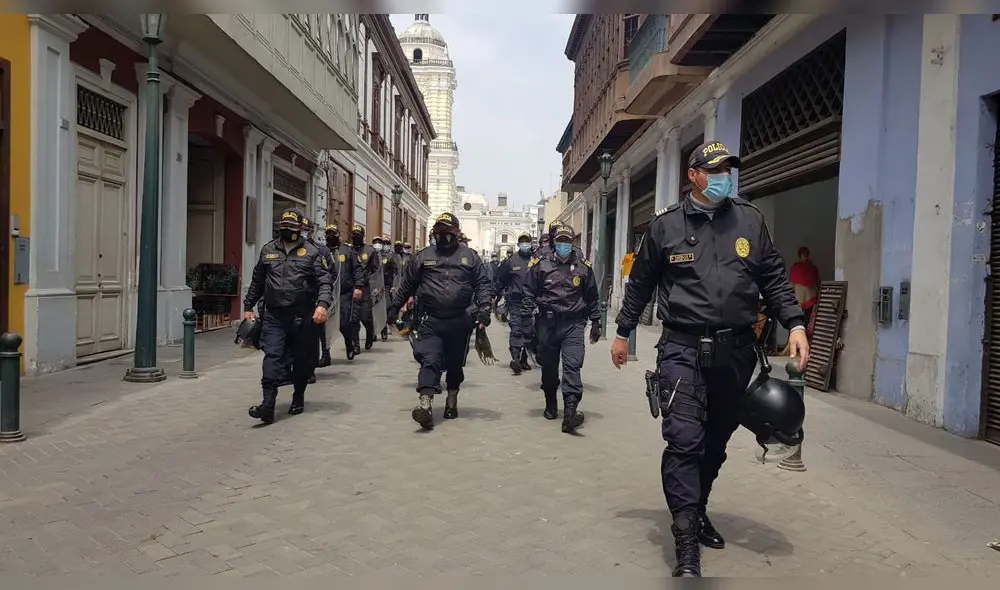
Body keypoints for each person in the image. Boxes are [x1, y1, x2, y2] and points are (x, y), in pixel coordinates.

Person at [611, 141, 810, 578]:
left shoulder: (749, 220)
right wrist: (622, 333)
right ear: (694, 175)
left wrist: (795, 324)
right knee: (684, 440)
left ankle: (696, 509)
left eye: (729, 170)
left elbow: (774, 278)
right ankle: (685, 540)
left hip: (737, 351)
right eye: (716, 170)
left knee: (715, 443)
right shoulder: (665, 228)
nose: (725, 177)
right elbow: (641, 285)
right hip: (682, 349)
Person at [389, 212, 494, 430]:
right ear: (434, 234)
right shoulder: (423, 257)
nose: (444, 236)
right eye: (440, 232)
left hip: (460, 321)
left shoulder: (470, 257)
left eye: (448, 232)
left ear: (457, 233)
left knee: (455, 364)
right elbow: (407, 284)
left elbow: (483, 285)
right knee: (430, 358)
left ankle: (452, 397)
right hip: (431, 320)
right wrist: (393, 308)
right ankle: (425, 405)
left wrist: (485, 308)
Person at [243, 208, 334, 424]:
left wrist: (322, 305)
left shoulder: (313, 252)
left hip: (302, 317)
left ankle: (298, 395)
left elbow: (324, 281)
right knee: (272, 357)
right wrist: (248, 305)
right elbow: (258, 281)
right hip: (274, 316)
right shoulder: (268, 250)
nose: (288, 232)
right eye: (284, 228)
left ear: (301, 229)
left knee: (302, 361)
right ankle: (267, 405)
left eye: (292, 228)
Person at [522, 224, 600, 432]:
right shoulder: (540, 264)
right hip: (547, 323)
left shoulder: (584, 266)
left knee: (572, 365)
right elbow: (528, 292)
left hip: (573, 324)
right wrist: (525, 322)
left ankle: (571, 412)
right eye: (560, 240)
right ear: (554, 242)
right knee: (548, 367)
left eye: (568, 241)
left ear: (573, 242)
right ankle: (550, 402)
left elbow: (592, 296)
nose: (564, 244)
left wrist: (597, 322)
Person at [494, 231, 535, 375]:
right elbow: (501, 280)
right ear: (518, 244)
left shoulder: (536, 259)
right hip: (516, 301)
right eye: (522, 241)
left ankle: (524, 359)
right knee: (516, 329)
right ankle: (515, 359)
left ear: (530, 243)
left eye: (527, 241)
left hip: (532, 303)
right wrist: (495, 296)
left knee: (529, 332)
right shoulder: (511, 261)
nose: (525, 244)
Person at [302, 216, 336, 377]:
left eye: (305, 230)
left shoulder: (321, 251)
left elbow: (331, 274)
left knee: (313, 334)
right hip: (291, 300)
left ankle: (311, 368)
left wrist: (324, 297)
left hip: (314, 299)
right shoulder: (281, 249)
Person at [326, 223, 364, 360]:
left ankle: (349, 343)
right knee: (325, 325)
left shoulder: (347, 250)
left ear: (338, 234)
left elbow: (357, 269)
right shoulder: (323, 251)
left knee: (343, 323)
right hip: (327, 295)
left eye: (333, 233)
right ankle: (325, 354)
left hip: (344, 293)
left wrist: (358, 287)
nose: (331, 236)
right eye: (328, 233)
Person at [350, 224, 380, 351]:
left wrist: (375, 286)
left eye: (358, 235)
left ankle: (370, 333)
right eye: (354, 235)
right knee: (353, 318)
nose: (355, 237)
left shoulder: (370, 251)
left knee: (365, 316)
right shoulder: (348, 250)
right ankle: (356, 345)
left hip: (366, 288)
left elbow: (376, 270)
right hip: (352, 287)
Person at [788, 246, 820, 342]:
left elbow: (816, 281)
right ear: (800, 255)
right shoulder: (797, 267)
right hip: (801, 297)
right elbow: (792, 283)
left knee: (808, 321)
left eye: (806, 254)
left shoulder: (812, 267)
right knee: (800, 321)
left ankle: (806, 342)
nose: (805, 256)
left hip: (809, 297)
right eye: (804, 254)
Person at [379, 234, 399, 340]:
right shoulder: (376, 255)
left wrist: (394, 285)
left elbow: (395, 271)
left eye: (387, 244)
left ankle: (384, 328)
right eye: (384, 244)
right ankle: (375, 329)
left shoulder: (391, 257)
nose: (385, 245)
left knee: (386, 306)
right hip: (377, 286)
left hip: (387, 286)